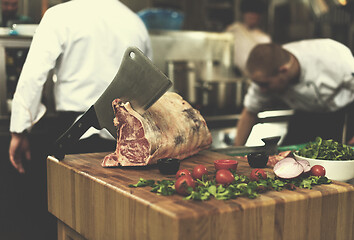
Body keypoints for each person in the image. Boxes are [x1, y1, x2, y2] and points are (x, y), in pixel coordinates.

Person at [7, 0, 152, 238]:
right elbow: (147, 84)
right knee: (114, 220)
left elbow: (33, 75)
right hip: (126, 140)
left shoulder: (60, 15)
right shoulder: (135, 22)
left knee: (70, 220)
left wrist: (19, 130)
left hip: (73, 137)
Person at [234, 39, 354, 147]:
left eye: (265, 85)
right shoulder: (265, 73)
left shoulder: (335, 59)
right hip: (303, 114)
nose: (262, 91)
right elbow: (249, 113)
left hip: (342, 113)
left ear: (283, 70)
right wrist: (235, 151)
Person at [225, 0, 271, 76]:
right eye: (250, 15)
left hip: (255, 77)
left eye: (255, 16)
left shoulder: (264, 38)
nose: (252, 17)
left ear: (259, 17)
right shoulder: (235, 30)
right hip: (233, 75)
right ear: (244, 15)